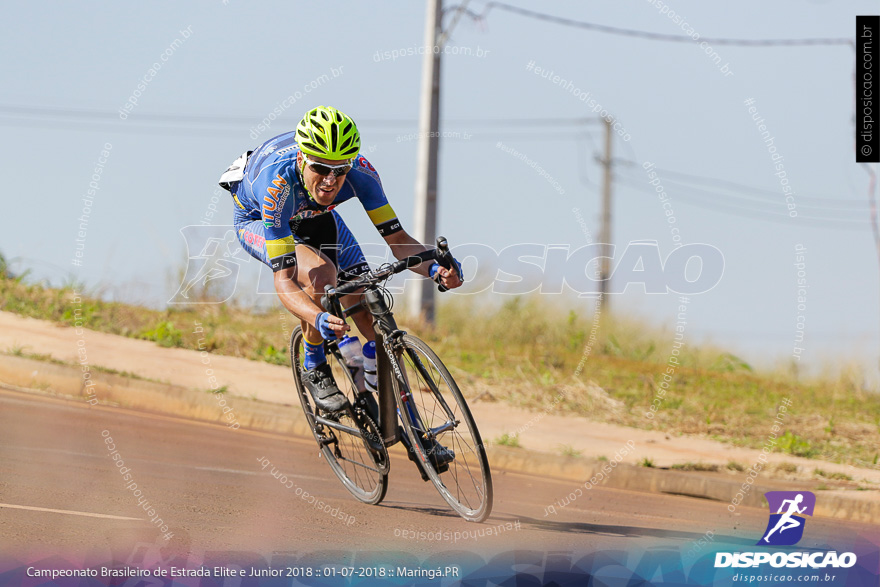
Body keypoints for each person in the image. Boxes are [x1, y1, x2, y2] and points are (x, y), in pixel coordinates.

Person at [218, 105, 462, 428]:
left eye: (340, 169)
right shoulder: (276, 187)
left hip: (316, 217)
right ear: (303, 159)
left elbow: (400, 242)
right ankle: (314, 365)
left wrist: (434, 268)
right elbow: (285, 281)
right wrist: (316, 317)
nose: (331, 180)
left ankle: (418, 432)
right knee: (321, 278)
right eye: (320, 167)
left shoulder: (361, 173)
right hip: (260, 221)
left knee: (366, 306)